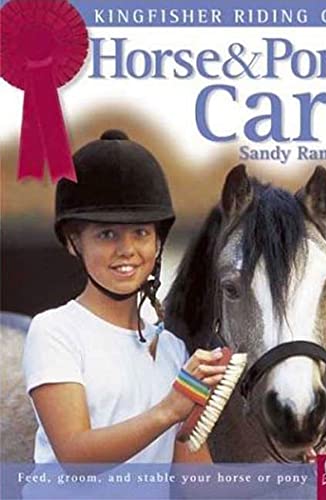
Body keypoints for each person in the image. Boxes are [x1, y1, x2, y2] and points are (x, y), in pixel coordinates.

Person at [22, 130, 227, 474]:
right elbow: (75, 458)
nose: (127, 249)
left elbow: (200, 486)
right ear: (74, 242)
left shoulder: (174, 351)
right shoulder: (54, 331)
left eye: (141, 233)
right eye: (106, 234)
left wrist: (296, 472)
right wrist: (172, 407)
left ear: (158, 242)